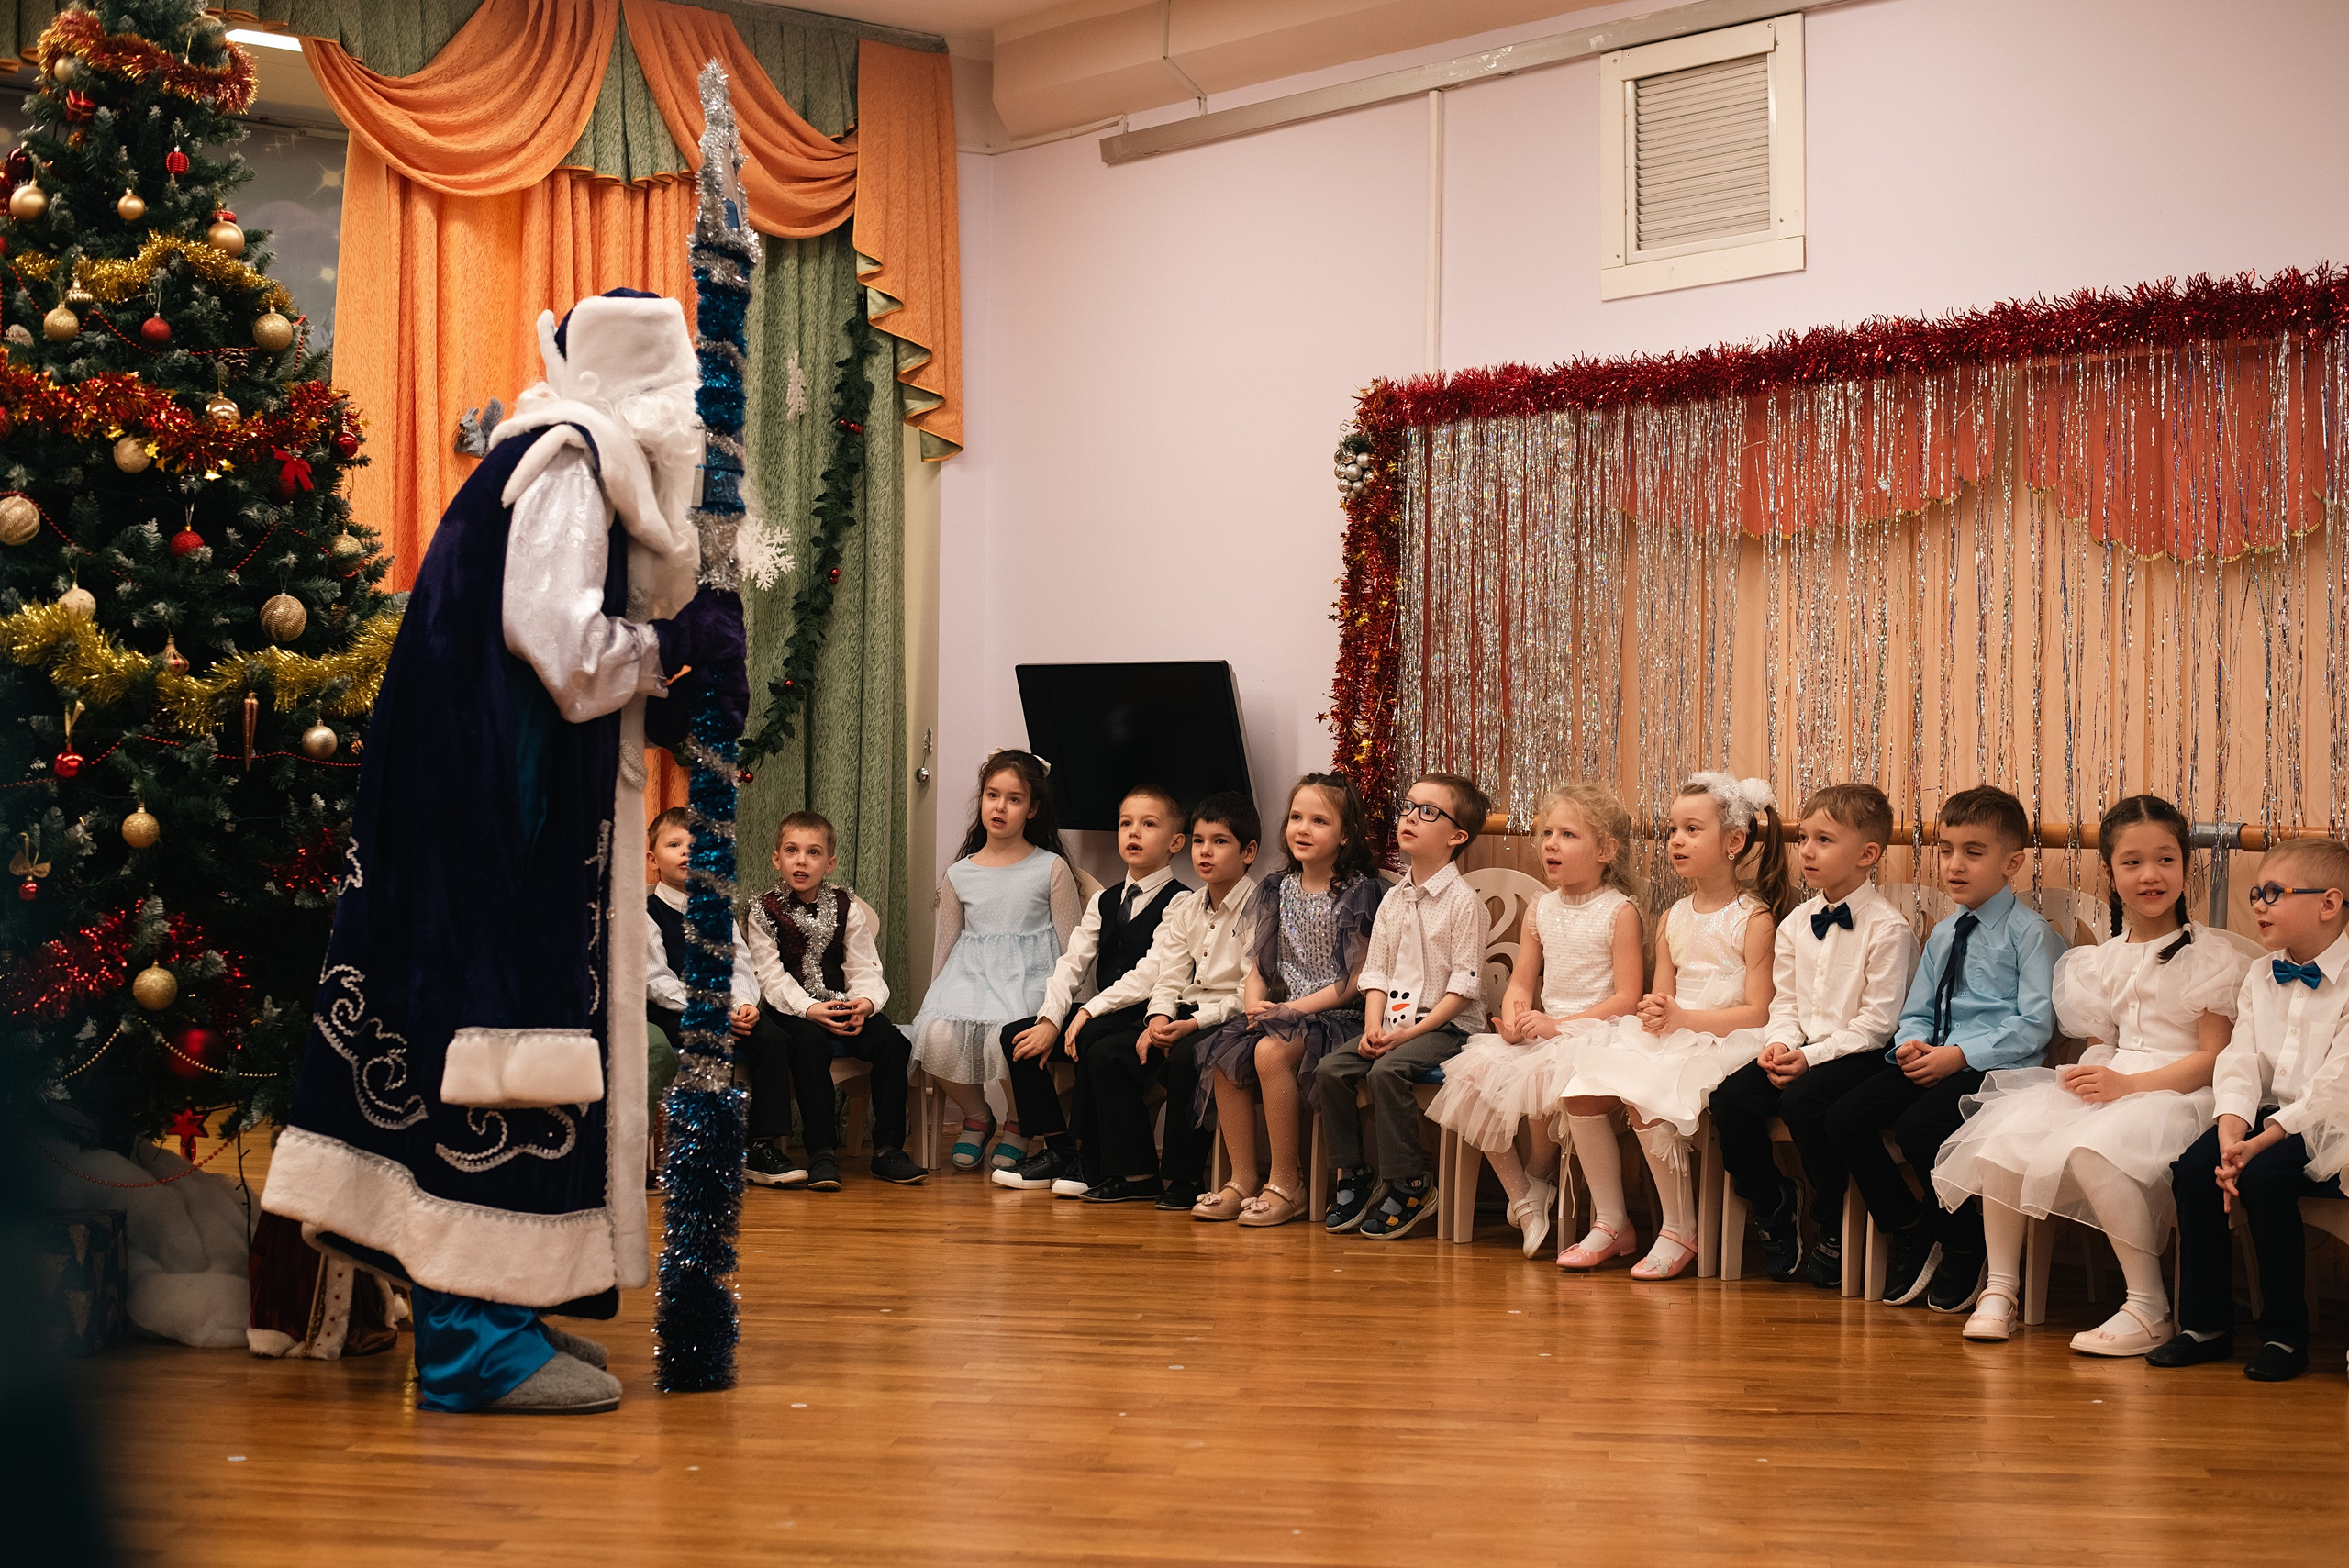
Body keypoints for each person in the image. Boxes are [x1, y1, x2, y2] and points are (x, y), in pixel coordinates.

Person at [262, 290, 748, 1414]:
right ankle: (471, 1344)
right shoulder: (572, 464)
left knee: (516, 1043)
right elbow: (559, 644)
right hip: (503, 825)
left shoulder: (562, 456)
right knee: (498, 1047)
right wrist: (673, 645)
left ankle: (508, 1311)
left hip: (507, 809)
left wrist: (673, 690)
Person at [1934, 795, 2245, 1350]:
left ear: (2185, 867)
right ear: (2110, 871)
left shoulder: (2210, 957)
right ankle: (2000, 1291)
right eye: (2132, 862)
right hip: (2118, 1078)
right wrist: (2089, 1075)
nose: (2150, 875)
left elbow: (2212, 1060)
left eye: (2165, 860)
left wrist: (2128, 1086)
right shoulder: (2097, 960)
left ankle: (2149, 1306)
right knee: (2006, 1134)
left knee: (2093, 1149)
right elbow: (2104, 1043)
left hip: (2179, 1091)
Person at [1828, 784, 2060, 1314]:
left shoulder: (2031, 934)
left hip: (1996, 1068)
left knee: (1920, 1127)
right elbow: (1917, 1007)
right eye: (1947, 850)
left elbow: (2035, 1026)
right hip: (1936, 1056)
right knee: (1845, 1118)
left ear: (2013, 863)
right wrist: (1910, 1042)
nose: (1955, 865)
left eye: (1973, 852)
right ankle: (1913, 1225)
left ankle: (1962, 1239)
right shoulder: (1944, 931)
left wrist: (1959, 1056)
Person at [1555, 773, 1791, 1279]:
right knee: (1581, 1090)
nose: (1676, 841)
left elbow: (1759, 1011)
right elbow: (1661, 995)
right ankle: (1613, 1221)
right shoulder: (1671, 917)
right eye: (1672, 830)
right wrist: (1655, 1013)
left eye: (1691, 829)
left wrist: (1682, 1018)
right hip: (1677, 1032)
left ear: (1733, 842)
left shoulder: (1754, 919)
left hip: (1729, 1038)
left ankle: (1680, 1228)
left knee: (1648, 1093)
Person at [2151, 837, 2349, 1383]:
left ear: (2328, 904)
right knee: (2194, 1170)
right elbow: (2239, 1060)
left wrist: (2260, 1144)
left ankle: (2285, 1334)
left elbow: (2337, 1084)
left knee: (2263, 1178)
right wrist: (2230, 1129)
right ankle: (2206, 1324)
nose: (2257, 904)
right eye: (2256, 893)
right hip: (2265, 1113)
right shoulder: (2262, 974)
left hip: (2331, 1122)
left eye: (2272, 893)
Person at [1710, 784, 1919, 1286]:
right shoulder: (1796, 923)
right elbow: (1785, 1002)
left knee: (1805, 1102)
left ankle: (1831, 1219)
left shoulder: (1888, 929)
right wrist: (1781, 1043)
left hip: (1860, 1053)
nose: (1805, 850)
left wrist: (1812, 1057)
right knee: (1731, 1100)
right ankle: (1772, 1201)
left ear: (1867, 854)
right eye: (1803, 838)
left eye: (1823, 840)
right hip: (1801, 1046)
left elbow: (1877, 1023)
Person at [1427, 784, 1645, 1256]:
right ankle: (1524, 1200)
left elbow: (1627, 998)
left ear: (1606, 850)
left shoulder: (1619, 911)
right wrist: (1514, 1014)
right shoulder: (1542, 908)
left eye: (1568, 834)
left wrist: (1558, 1027)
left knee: (1550, 1080)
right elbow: (1523, 982)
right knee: (1474, 1077)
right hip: (1546, 1030)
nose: (1550, 843)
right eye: (1547, 832)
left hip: (1596, 1033)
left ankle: (1538, 1178)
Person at [1192, 773, 1383, 1227]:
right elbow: (1262, 964)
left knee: (1270, 1052)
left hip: (1338, 1015)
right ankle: (1242, 1178)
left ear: (1346, 834)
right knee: (1224, 1053)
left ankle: (1287, 1182)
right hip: (1284, 1011)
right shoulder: (1277, 887)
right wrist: (1255, 1002)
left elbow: (1356, 980)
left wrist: (1291, 1010)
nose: (1302, 828)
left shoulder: (1361, 890)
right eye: (1297, 817)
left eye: (1319, 820)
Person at [1313, 773, 1492, 1240]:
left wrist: (1408, 1035)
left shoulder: (1464, 903)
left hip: (1447, 1027)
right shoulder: (1393, 898)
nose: (1410, 817)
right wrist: (1374, 1026)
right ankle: (1353, 1173)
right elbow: (1375, 975)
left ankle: (1411, 1183)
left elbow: (1463, 989)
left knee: (1386, 1071)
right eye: (1408, 807)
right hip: (1392, 1021)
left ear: (1456, 836)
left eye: (1428, 811)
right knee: (1331, 1069)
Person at [995, 786, 1187, 1195]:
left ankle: (1092, 1157)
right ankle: (1059, 1147)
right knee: (1017, 1035)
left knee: (1092, 1036)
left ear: (1175, 842)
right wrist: (1049, 1019)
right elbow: (1072, 963)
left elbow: (1152, 974)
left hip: (1143, 1014)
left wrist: (1086, 1012)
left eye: (1148, 824)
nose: (1133, 832)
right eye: (1125, 823)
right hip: (1103, 1012)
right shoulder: (1105, 898)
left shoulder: (1181, 902)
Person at [907, 751, 1084, 1172]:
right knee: (933, 1035)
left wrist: (1071, 1007)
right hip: (969, 976)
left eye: (1014, 799)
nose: (1000, 807)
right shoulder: (959, 873)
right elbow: (945, 945)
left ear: (1033, 808)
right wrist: (938, 997)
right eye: (992, 795)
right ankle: (978, 1114)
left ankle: (1019, 1122)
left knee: (1004, 1037)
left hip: (1030, 978)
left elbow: (1074, 945)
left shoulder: (1051, 868)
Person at [740, 811, 927, 1192]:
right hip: (792, 1011)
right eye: (792, 851)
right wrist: (810, 1010)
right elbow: (769, 977)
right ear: (777, 858)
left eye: (813, 853)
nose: (801, 861)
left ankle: (888, 1148)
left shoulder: (846, 906)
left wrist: (864, 1005)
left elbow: (863, 966)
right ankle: (822, 1151)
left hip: (841, 1003)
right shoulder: (763, 910)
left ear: (830, 862)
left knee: (892, 1042)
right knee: (808, 1044)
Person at [1119, 794, 1264, 1208]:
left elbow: (1249, 991)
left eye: (1219, 841)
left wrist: (1192, 1025)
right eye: (1199, 840)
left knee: (1187, 1058)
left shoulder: (1261, 907)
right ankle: (1132, 1172)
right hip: (1185, 1011)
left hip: (1231, 1016)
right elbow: (1170, 974)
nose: (1205, 851)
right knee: (1112, 1052)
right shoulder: (1186, 906)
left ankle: (1182, 1179)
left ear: (1248, 851)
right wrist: (1158, 1017)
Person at [643, 806, 759, 1187]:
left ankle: (761, 1146)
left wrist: (742, 1004)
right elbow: (655, 979)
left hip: (725, 1008)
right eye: (675, 844)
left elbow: (740, 965)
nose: (687, 852)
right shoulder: (645, 911)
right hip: (674, 1009)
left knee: (774, 1039)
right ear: (652, 859)